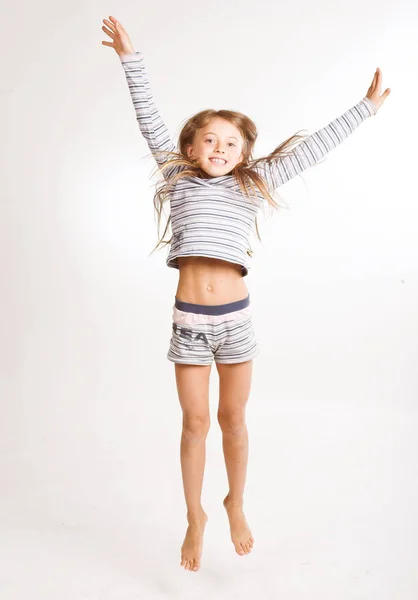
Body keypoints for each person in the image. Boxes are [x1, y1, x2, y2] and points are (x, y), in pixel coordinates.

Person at [101, 15, 391, 572]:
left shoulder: (252, 183)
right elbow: (149, 119)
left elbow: (313, 150)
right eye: (208, 138)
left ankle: (235, 501)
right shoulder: (177, 176)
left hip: (236, 320)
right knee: (193, 424)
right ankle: (195, 515)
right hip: (189, 320)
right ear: (189, 146)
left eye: (231, 141)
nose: (219, 146)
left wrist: (367, 108)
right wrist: (129, 58)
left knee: (233, 419)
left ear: (244, 153)